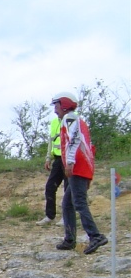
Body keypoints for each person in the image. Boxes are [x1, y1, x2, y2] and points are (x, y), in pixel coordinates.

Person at [50, 91, 107, 254]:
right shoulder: (76, 120)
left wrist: (69, 162)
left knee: (79, 203)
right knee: (68, 203)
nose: (55, 110)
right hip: (82, 167)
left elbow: (73, 141)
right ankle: (70, 239)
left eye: (56, 105)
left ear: (64, 104)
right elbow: (89, 146)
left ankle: (95, 236)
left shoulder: (70, 118)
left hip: (77, 167)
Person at [35, 114, 67, 225]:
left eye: (57, 104)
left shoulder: (73, 118)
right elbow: (51, 141)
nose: (54, 109)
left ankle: (66, 217)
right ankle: (49, 216)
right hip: (58, 159)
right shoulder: (54, 122)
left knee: (68, 189)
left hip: (69, 159)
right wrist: (48, 157)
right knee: (50, 187)